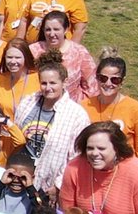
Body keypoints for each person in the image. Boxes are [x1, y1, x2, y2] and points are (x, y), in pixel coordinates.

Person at [59, 122, 138, 214]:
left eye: (101, 148)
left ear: (116, 149)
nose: (94, 153)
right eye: (90, 148)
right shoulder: (74, 168)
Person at [13, 51, 89, 196]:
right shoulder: (28, 103)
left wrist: (58, 185)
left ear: (64, 82)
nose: (48, 88)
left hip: (49, 186)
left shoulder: (77, 115)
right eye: (44, 83)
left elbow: (77, 157)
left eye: (53, 83)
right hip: (21, 178)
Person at [80, 48, 138, 174]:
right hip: (90, 177)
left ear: (122, 82)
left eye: (115, 80)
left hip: (125, 177)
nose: (108, 83)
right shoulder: (83, 107)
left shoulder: (137, 110)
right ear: (96, 78)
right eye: (103, 78)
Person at [28, 11, 96, 103]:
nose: (52, 34)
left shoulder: (79, 52)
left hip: (70, 108)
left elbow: (92, 85)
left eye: (56, 29)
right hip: (38, 105)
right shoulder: (33, 50)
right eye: (48, 30)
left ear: (66, 30)